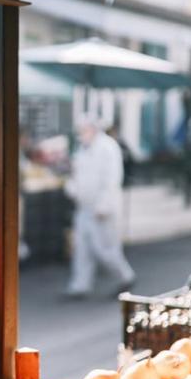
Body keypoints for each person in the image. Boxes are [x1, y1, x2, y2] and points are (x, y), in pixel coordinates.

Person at [64, 117, 136, 297]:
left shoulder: (107, 147)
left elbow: (112, 178)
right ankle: (80, 285)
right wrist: (73, 189)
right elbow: (76, 174)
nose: (81, 134)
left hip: (102, 208)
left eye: (84, 130)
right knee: (82, 248)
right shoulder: (82, 148)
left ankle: (125, 276)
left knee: (105, 248)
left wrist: (104, 205)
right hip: (84, 207)